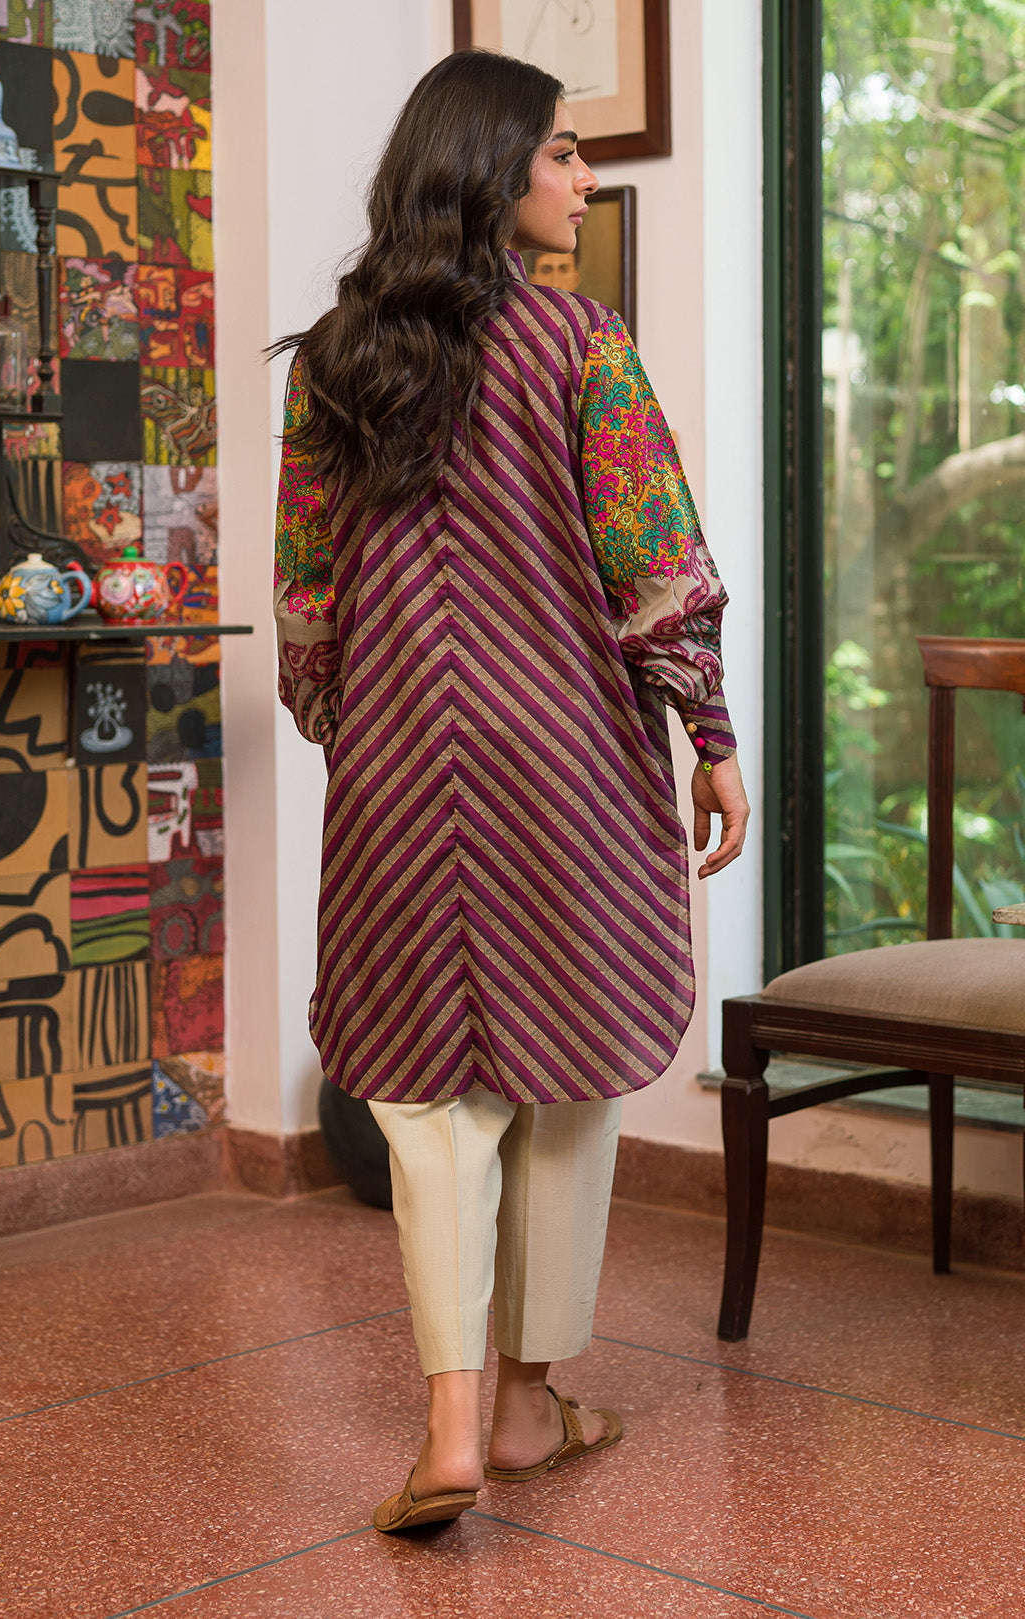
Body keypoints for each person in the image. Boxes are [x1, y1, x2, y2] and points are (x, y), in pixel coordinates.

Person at [272, 49, 749, 1534]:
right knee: (568, 1079)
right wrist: (710, 734)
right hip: (567, 765)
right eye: (560, 153)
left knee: (425, 1099)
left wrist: (349, 724)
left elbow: (305, 595)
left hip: (402, 768)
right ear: (487, 169)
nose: (584, 178)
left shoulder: (336, 361)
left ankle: (457, 1426)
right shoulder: (581, 346)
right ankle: (531, 1401)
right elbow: (655, 563)